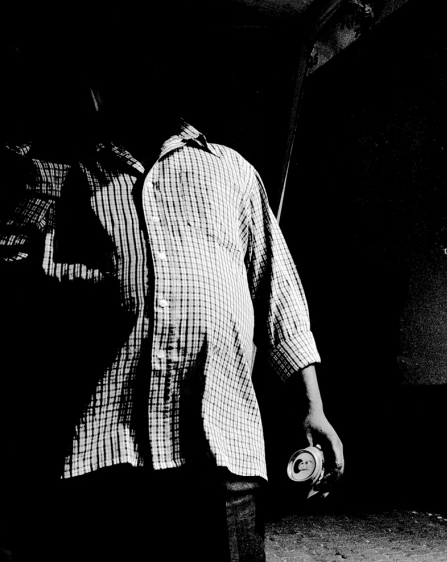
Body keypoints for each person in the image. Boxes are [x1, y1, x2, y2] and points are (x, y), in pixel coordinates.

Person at [0, 43, 343, 562]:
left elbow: (281, 298)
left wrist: (312, 407)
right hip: (108, 448)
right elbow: (11, 269)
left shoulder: (232, 171)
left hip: (222, 445)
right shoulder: (73, 171)